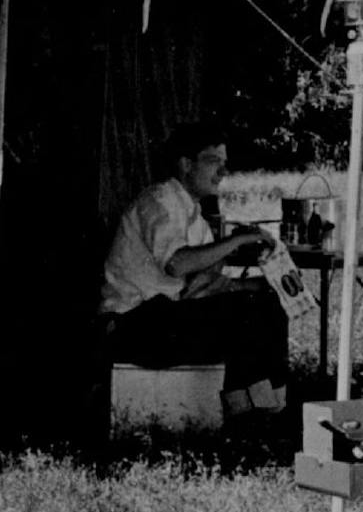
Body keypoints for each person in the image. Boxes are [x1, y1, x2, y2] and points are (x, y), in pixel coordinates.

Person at [99, 123, 293, 423]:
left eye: (224, 164)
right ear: (186, 164)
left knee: (267, 302)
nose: (222, 172)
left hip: (164, 317)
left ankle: (272, 406)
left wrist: (256, 284)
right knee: (243, 313)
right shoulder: (159, 201)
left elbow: (200, 288)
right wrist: (238, 239)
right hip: (132, 325)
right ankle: (245, 411)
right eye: (214, 161)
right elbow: (177, 264)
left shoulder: (195, 216)